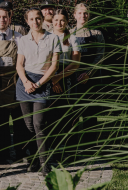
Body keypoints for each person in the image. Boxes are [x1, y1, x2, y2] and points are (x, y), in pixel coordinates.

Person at [16, 7, 61, 175]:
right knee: (28, 126)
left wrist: (40, 83)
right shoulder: (23, 40)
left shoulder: (53, 38)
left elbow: (54, 65)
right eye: (31, 19)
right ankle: (34, 160)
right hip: (25, 83)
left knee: (39, 124)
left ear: (42, 19)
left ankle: (45, 163)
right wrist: (27, 82)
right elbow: (19, 65)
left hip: (42, 82)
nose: (35, 22)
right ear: (27, 22)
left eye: (37, 18)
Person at [0, 4, 27, 161]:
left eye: (5, 17)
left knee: (19, 122)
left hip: (16, 83)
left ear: (9, 19)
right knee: (0, 123)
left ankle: (20, 153)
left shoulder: (19, 37)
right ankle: (2, 154)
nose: (2, 20)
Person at [71, 3, 105, 146]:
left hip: (91, 78)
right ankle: (71, 145)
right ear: (74, 15)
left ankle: (89, 146)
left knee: (90, 111)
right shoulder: (69, 33)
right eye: (80, 13)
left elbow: (100, 56)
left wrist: (88, 73)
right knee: (72, 111)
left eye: (85, 13)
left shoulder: (97, 34)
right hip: (72, 76)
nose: (83, 16)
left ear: (89, 15)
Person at [49, 9, 81, 150]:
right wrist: (52, 79)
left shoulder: (73, 37)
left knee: (67, 112)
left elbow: (75, 63)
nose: (59, 23)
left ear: (67, 21)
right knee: (52, 113)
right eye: (56, 20)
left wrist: (58, 77)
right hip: (50, 77)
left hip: (67, 76)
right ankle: (53, 146)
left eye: (62, 20)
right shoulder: (47, 37)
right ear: (52, 21)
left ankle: (69, 147)